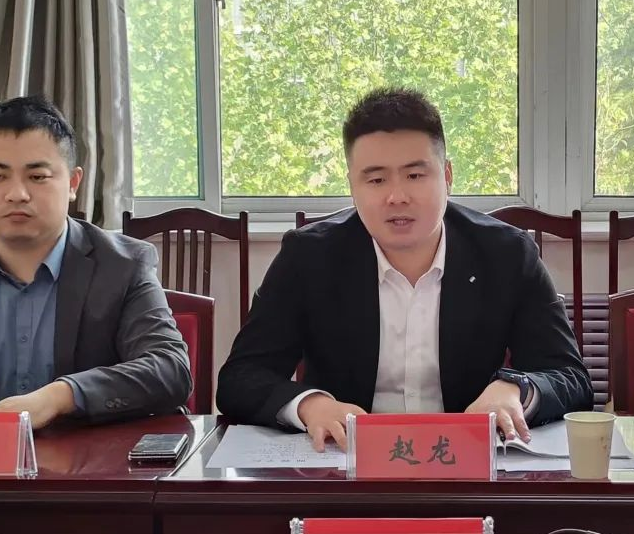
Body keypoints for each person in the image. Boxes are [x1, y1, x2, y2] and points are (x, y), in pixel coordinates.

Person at [217, 88, 592, 450]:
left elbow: (571, 378)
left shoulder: (507, 254)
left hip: (467, 461)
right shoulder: (308, 257)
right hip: (346, 461)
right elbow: (240, 379)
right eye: (376, 180)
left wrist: (516, 390)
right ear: (352, 186)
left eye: (415, 175)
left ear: (447, 176)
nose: (397, 197)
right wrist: (310, 405)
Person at [0, 96, 191, 427]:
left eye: (37, 177)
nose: (17, 194)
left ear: (73, 183)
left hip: (91, 455)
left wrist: (60, 397)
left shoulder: (123, 265)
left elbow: (169, 369)